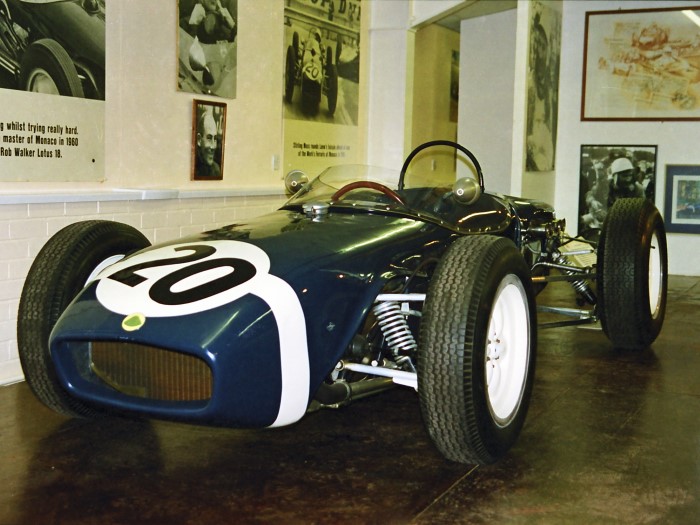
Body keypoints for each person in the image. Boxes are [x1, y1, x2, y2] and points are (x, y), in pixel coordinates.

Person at [194, 109, 221, 179]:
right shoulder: (192, 167)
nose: (213, 146)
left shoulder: (216, 170)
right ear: (199, 140)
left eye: (215, 139)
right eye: (209, 138)